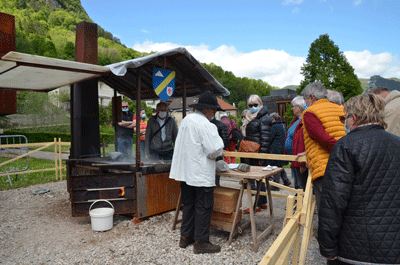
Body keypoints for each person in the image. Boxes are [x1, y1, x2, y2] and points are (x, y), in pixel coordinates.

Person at [318, 94, 400, 265]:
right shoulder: (397, 143)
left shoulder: (346, 146)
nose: (344, 123)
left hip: (355, 249)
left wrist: (328, 247)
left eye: (344, 118)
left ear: (353, 118)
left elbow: (333, 201)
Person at [169, 90, 224, 254]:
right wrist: (219, 155)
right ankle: (201, 242)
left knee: (189, 205)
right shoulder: (206, 124)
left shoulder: (186, 120)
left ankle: (185, 237)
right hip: (199, 173)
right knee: (204, 206)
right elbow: (214, 149)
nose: (213, 114)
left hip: (185, 172)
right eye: (213, 110)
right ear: (208, 109)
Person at [300, 82, 346, 210]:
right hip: (346, 166)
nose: (305, 103)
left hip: (325, 169)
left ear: (311, 97)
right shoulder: (341, 109)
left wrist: (342, 149)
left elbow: (322, 138)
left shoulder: (309, 113)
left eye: (305, 99)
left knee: (327, 212)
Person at [242, 94, 272, 213]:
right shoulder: (250, 117)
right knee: (258, 179)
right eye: (250, 105)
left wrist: (262, 156)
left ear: (260, 104)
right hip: (251, 151)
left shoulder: (264, 118)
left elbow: (266, 139)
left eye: (255, 105)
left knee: (258, 178)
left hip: (258, 152)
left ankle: (257, 204)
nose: (253, 107)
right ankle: (262, 202)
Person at [286, 96, 308, 190]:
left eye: (293, 106)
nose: (292, 108)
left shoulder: (305, 121)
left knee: (301, 186)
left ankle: (300, 204)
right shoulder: (295, 120)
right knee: (297, 185)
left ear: (299, 107)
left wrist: (302, 162)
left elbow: (305, 143)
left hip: (300, 160)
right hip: (294, 159)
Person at [267, 112, 291, 191]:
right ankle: (286, 180)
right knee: (280, 165)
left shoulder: (274, 126)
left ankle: (276, 184)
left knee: (276, 166)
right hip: (283, 147)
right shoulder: (283, 125)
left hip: (276, 148)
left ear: (273, 119)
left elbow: (271, 138)